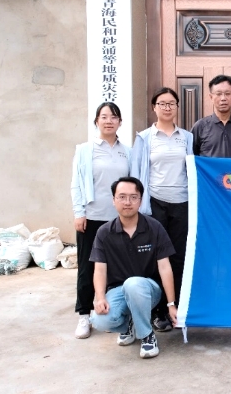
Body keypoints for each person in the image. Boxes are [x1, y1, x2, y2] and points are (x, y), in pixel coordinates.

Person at [90, 177, 178, 359]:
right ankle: (130, 325)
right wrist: (100, 298)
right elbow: (99, 270)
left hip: (149, 290)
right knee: (99, 320)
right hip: (119, 291)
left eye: (133, 197)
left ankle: (147, 335)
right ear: (113, 200)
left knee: (134, 284)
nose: (127, 202)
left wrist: (171, 304)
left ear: (141, 200)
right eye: (122, 197)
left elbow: (165, 267)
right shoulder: (104, 233)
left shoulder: (154, 228)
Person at [130, 87, 193, 332]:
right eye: (162, 103)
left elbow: (192, 170)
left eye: (171, 103)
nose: (167, 107)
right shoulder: (145, 137)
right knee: (156, 256)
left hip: (182, 203)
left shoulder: (186, 137)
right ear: (154, 107)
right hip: (154, 203)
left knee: (178, 257)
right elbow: (136, 173)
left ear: (177, 107)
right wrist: (136, 205)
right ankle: (158, 312)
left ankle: (177, 308)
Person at [70, 102, 130, 339]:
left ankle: (114, 312)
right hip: (93, 217)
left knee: (118, 267)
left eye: (114, 117)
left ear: (120, 122)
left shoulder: (127, 151)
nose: (109, 121)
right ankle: (84, 315)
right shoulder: (85, 150)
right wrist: (79, 212)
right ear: (96, 121)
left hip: (120, 219)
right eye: (104, 117)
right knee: (88, 267)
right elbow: (76, 183)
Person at [191, 75, 231, 158]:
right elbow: (191, 156)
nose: (223, 98)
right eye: (218, 94)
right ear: (211, 97)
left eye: (227, 94)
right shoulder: (200, 126)